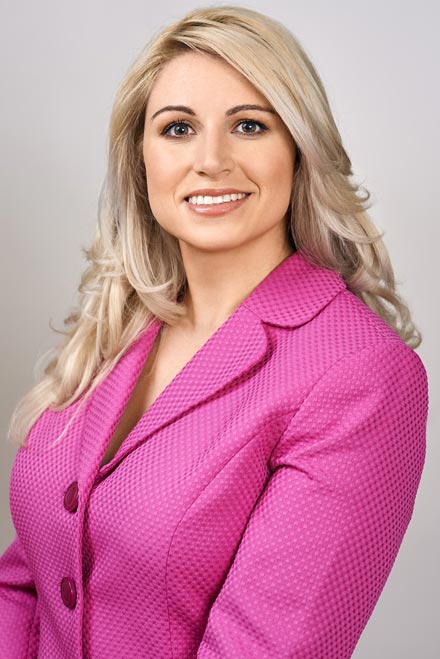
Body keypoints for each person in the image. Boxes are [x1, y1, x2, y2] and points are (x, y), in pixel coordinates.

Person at [0, 4, 429, 658]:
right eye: (177, 129)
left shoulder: (362, 375)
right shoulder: (122, 322)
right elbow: (26, 581)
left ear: (299, 149)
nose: (210, 160)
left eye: (249, 125)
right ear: (141, 160)